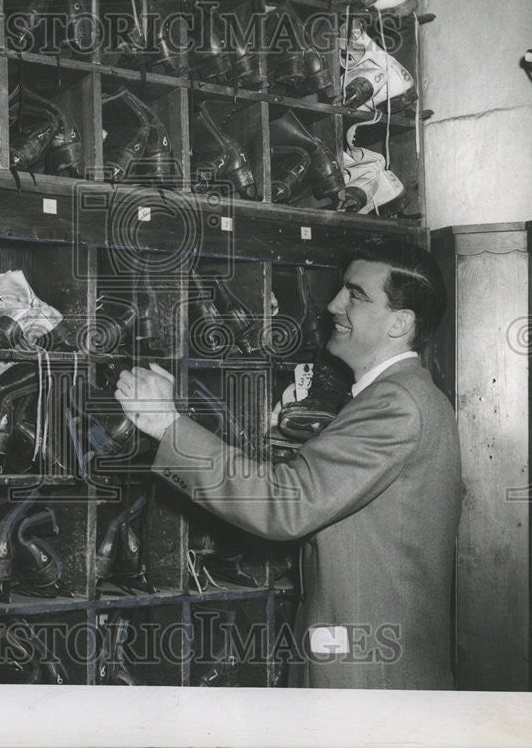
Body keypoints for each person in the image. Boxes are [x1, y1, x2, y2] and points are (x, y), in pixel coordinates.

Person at [114, 238, 462, 689]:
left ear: (400, 322)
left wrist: (167, 425)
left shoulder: (396, 404)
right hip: (367, 653)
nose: (334, 304)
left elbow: (286, 506)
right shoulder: (404, 395)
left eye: (356, 295)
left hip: (369, 673)